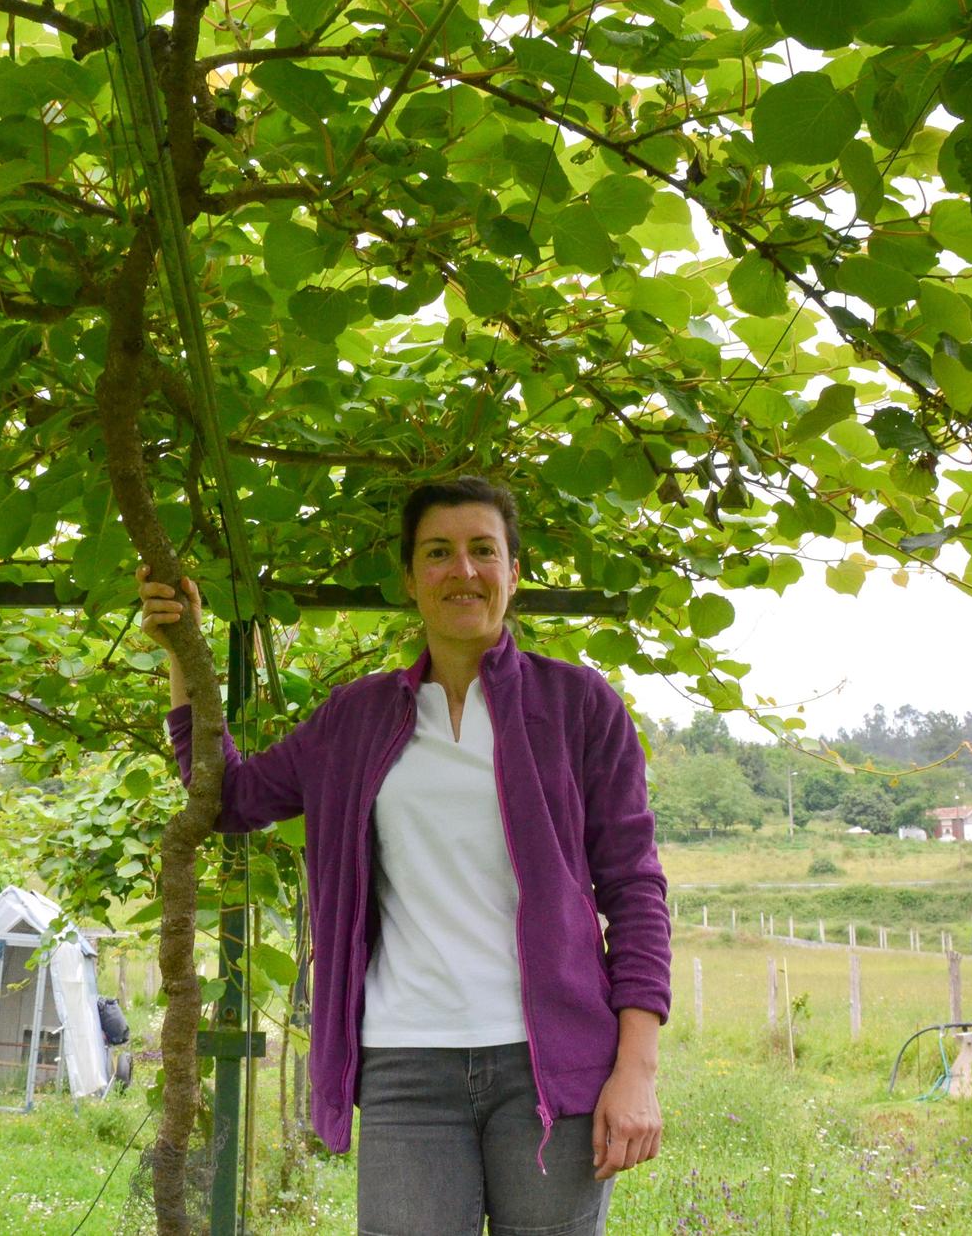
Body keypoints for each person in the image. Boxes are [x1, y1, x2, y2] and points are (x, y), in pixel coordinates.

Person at [138, 476, 669, 1235]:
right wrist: (183, 652)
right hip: (406, 1066)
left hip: (551, 1069)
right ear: (410, 580)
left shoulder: (579, 706)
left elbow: (636, 889)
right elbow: (229, 797)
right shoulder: (357, 718)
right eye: (438, 552)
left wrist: (636, 1068)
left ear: (514, 571)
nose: (464, 570)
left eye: (484, 550)